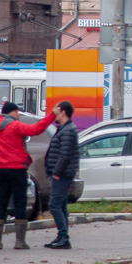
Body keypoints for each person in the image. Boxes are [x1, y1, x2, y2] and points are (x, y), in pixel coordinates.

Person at [0, 102, 56, 250]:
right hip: (18, 169)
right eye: (17, 112)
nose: (18, 115)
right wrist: (52, 115)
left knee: (1, 203)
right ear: (12, 112)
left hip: (1, 171)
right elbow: (36, 129)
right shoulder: (15, 126)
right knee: (20, 203)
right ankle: (20, 241)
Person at [43, 101, 78, 250]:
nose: (52, 112)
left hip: (62, 175)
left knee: (54, 205)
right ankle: (62, 236)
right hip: (61, 174)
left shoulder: (68, 130)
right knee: (61, 205)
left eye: (55, 109)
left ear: (62, 112)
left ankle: (64, 237)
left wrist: (57, 172)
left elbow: (65, 154)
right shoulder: (64, 128)